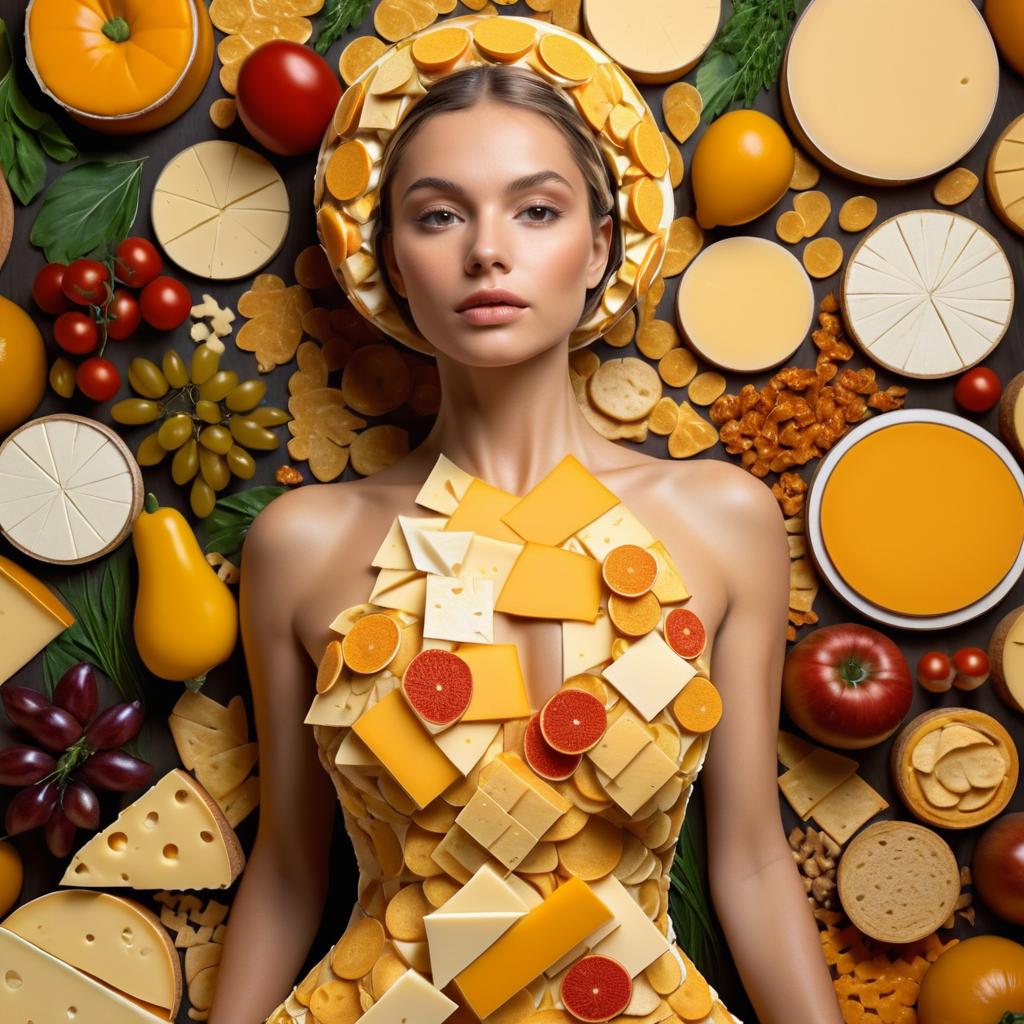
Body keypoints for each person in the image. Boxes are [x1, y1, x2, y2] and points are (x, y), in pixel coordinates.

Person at [209, 55, 843, 1024]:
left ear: (597, 248)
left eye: (536, 210)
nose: (486, 252)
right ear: (390, 256)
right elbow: (294, 873)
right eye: (438, 214)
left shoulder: (723, 522)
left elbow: (752, 860)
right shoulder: (301, 544)